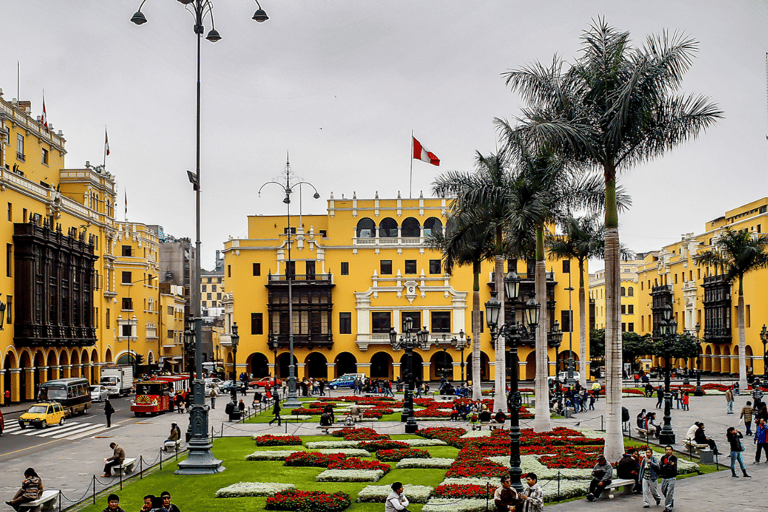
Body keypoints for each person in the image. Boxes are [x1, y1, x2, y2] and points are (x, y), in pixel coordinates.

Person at [659, 446, 677, 512]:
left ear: (672, 451)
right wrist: (667, 465)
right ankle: (670, 500)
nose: (668, 451)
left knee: (669, 491)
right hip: (664, 477)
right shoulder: (663, 458)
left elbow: (673, 467)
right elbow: (661, 466)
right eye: (667, 450)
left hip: (671, 477)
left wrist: (666, 466)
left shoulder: (674, 458)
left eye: (669, 450)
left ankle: (668, 507)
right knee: (663, 490)